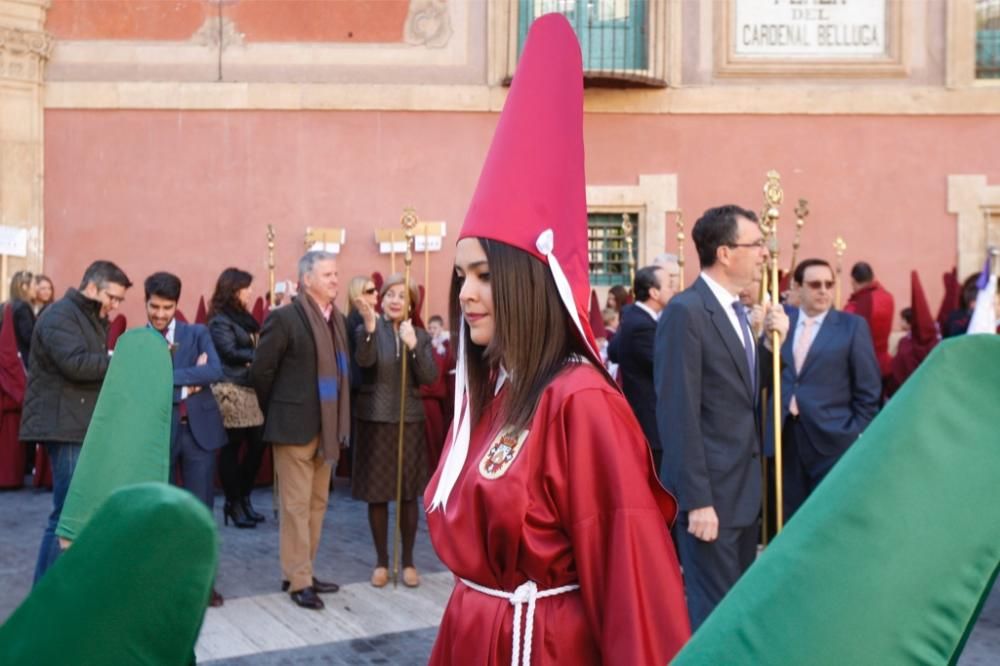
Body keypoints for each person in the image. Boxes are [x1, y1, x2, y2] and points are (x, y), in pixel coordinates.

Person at [425, 15, 690, 665]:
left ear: (530, 282)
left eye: (486, 276)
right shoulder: (499, 390)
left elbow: (634, 586)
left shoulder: (582, 402)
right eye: (462, 275)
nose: (465, 294)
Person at [655, 204, 789, 630]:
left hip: (743, 495)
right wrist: (697, 501)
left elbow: (742, 394)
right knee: (714, 619)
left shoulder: (734, 312)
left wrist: (772, 347)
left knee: (735, 613)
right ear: (726, 253)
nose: (765, 255)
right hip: (710, 500)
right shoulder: (687, 312)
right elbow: (678, 413)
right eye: (756, 245)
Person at [250, 250, 350, 610]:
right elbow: (262, 369)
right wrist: (275, 407)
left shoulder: (337, 320)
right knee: (295, 506)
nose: (335, 280)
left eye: (336, 274)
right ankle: (299, 580)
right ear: (307, 280)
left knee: (317, 504)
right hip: (293, 426)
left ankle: (301, 571)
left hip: (328, 426)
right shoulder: (286, 318)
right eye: (327, 275)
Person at [22, 260, 131, 583]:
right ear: (93, 287)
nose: (115, 305)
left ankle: (57, 590)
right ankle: (46, 596)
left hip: (79, 422)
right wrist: (118, 359)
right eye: (112, 297)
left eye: (119, 300)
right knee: (68, 514)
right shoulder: (60, 315)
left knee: (73, 512)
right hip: (65, 425)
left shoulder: (88, 315)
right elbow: (76, 364)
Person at [767, 258, 881, 519]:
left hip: (833, 439)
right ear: (798, 287)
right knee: (789, 517)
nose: (823, 290)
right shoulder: (783, 323)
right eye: (815, 284)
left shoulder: (852, 327)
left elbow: (869, 389)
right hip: (786, 436)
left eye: (829, 284)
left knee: (828, 517)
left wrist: (853, 433)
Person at [144, 272, 227, 606]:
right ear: (146, 302)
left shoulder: (198, 332)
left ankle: (201, 584)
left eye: (167, 308)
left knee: (200, 511)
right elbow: (142, 381)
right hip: (158, 433)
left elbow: (214, 371)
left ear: (177, 305)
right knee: (160, 510)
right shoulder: (139, 340)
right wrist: (186, 384)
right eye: (154, 307)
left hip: (198, 435)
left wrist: (167, 380)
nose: (160, 314)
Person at [352, 274, 437, 588]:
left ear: (411, 303)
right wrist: (372, 331)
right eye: (390, 294)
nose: (396, 300)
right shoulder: (366, 329)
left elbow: (429, 376)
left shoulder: (419, 335)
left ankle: (410, 561)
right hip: (376, 417)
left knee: (407, 495)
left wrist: (414, 347)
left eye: (403, 296)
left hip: (409, 418)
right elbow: (364, 362)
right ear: (382, 298)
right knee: (378, 494)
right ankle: (381, 562)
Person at [208, 268, 267, 529]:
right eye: (245, 288)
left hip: (250, 386)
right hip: (230, 388)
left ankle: (243, 497)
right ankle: (233, 502)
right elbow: (229, 352)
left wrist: (253, 354)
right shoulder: (219, 320)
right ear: (233, 290)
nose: (250, 292)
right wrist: (259, 355)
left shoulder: (243, 318)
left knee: (257, 445)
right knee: (233, 447)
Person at [607, 262, 679, 472]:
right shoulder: (641, 325)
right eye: (669, 285)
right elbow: (666, 368)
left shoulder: (632, 317)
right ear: (654, 292)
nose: (674, 290)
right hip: (651, 421)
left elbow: (614, 352)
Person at [844, 261, 895, 381]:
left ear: (853, 281)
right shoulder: (887, 297)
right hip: (884, 363)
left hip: (862, 367)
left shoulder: (855, 306)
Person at [7, 271, 37, 365]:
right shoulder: (23, 307)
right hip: (22, 360)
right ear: (24, 287)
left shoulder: (6, 305)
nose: (36, 288)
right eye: (34, 284)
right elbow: (29, 337)